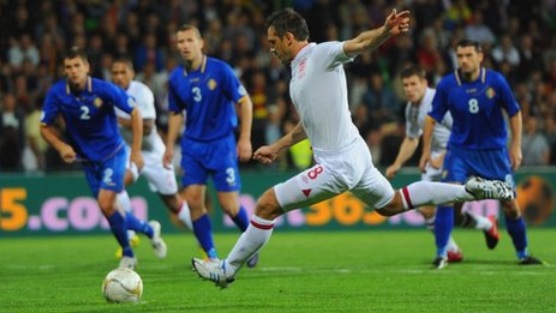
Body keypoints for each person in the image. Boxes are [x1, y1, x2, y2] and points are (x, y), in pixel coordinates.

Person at [191, 8, 514, 288]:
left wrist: (386, 31)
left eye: (274, 42)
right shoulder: (299, 71)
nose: (271, 48)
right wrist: (277, 145)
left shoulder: (321, 54)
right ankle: (470, 191)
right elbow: (309, 122)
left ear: (289, 37)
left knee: (265, 206)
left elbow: (359, 43)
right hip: (355, 154)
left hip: (339, 164)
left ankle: (226, 269)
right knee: (391, 203)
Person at [419, 39, 544, 269]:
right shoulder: (448, 84)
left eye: (468, 55)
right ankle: (442, 254)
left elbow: (514, 113)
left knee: (510, 205)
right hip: (460, 152)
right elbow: (431, 118)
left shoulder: (496, 81)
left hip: (494, 153)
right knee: (446, 199)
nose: (464, 60)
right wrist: (426, 149)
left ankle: (523, 253)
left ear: (480, 56)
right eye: (460, 56)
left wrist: (515, 146)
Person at [40, 46, 166, 270]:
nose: (73, 71)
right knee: (108, 209)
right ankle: (147, 230)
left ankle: (128, 254)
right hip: (87, 160)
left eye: (77, 65)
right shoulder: (57, 93)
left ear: (87, 67)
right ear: (64, 70)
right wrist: (60, 146)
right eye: (68, 67)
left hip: (113, 154)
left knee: (106, 202)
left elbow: (135, 113)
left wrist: (135, 151)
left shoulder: (104, 89)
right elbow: (44, 127)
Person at [162, 25, 259, 267]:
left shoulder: (220, 70)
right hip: (193, 146)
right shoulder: (176, 78)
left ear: (201, 42)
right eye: (180, 41)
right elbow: (175, 113)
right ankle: (211, 255)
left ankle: (252, 241)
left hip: (221, 144)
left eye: (189, 40)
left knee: (229, 206)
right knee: (194, 200)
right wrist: (169, 145)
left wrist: (244, 137)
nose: (184, 45)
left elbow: (245, 102)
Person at [386, 65, 500, 265]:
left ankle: (457, 243)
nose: (409, 89)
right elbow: (412, 139)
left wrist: (445, 154)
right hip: (434, 161)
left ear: (424, 83)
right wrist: (397, 163)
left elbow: (462, 130)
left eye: (413, 84)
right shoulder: (411, 108)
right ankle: (456, 245)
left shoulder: (436, 100)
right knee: (432, 210)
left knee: (444, 212)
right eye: (405, 85)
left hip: (456, 157)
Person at [111, 57, 193, 258]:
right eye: (115, 73)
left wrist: (117, 119)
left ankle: (202, 237)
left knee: (173, 201)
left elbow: (147, 128)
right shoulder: (108, 94)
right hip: (128, 150)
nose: (119, 77)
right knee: (115, 186)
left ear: (132, 74)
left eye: (123, 72)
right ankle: (130, 235)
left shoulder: (141, 92)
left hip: (152, 152)